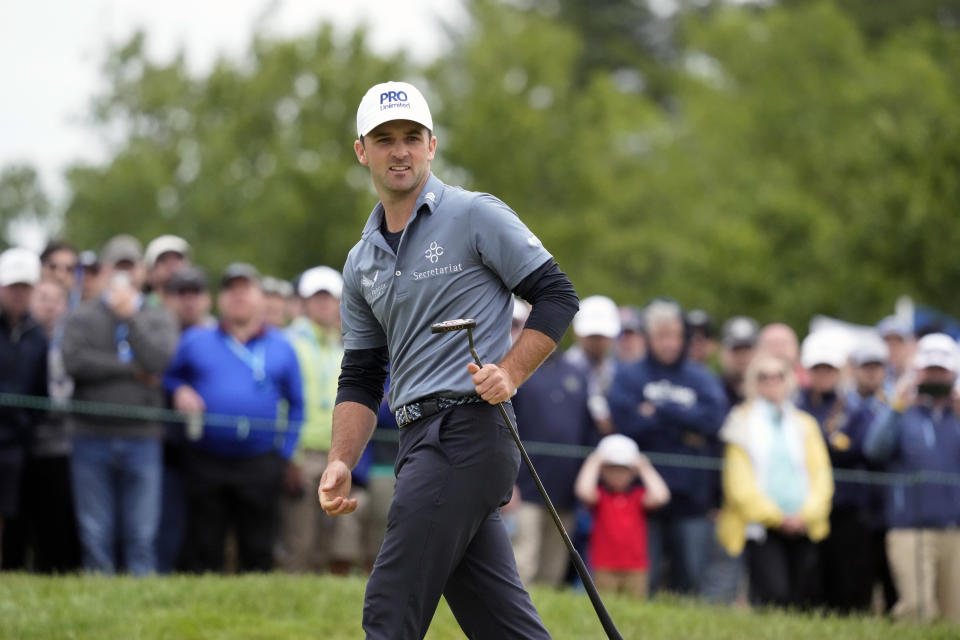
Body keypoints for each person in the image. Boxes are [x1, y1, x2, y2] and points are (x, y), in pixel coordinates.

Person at [318, 81, 579, 639]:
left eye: (412, 136)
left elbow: (556, 294)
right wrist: (342, 458)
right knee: (501, 625)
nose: (400, 150)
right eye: (384, 139)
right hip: (418, 443)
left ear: (431, 145)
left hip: (469, 433)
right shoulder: (360, 260)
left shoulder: (474, 215)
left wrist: (510, 371)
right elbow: (362, 374)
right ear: (362, 150)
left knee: (389, 608)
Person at [164, 263, 304, 573]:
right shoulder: (196, 340)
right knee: (205, 545)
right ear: (220, 300)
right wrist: (180, 389)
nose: (239, 296)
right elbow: (169, 378)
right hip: (206, 459)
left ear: (259, 298)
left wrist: (284, 453)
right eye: (231, 290)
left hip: (261, 461)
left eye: (246, 289)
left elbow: (297, 404)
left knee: (257, 547)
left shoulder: (282, 346)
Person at [61, 234, 179, 575]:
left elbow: (158, 361)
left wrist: (131, 318)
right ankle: (99, 601)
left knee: (141, 532)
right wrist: (130, 370)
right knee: (95, 530)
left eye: (131, 267)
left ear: (142, 272)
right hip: (89, 435)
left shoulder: (157, 317)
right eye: (117, 267)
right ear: (105, 271)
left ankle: (140, 602)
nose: (124, 275)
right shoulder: (81, 316)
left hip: (142, 437)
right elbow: (74, 362)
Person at [608, 299, 727, 596]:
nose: (670, 343)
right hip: (640, 495)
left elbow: (713, 421)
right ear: (649, 337)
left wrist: (659, 410)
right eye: (662, 336)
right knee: (642, 579)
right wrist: (686, 423)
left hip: (692, 497)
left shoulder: (701, 377)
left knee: (690, 578)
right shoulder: (629, 376)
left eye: (675, 336)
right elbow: (627, 424)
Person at [716, 354, 834, 609]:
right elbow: (738, 483)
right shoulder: (740, 421)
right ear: (753, 382)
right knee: (773, 594)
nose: (771, 382)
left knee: (801, 598)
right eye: (763, 377)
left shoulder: (804, 424)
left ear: (788, 380)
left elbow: (821, 475)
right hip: (761, 526)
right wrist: (777, 517)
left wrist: (806, 514)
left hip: (804, 523)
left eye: (777, 376)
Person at [864, 333, 960, 624]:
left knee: (953, 618)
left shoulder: (957, 414)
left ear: (953, 374)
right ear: (917, 372)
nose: (934, 378)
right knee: (917, 611)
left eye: (940, 372)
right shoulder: (899, 409)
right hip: (909, 528)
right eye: (929, 371)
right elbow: (874, 450)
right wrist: (897, 407)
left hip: (954, 529)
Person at [511, 299, 598, 588]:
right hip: (524, 490)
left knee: (554, 569)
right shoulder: (513, 369)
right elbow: (505, 430)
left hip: (565, 494)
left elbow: (587, 431)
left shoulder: (575, 372)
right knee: (522, 565)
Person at [9, 278, 81, 572]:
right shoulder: (19, 337)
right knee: (18, 518)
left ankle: (53, 571)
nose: (49, 305)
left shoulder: (72, 342)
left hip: (61, 446)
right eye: (42, 297)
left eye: (56, 299)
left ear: (66, 305)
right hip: (22, 443)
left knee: (55, 519)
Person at [278, 265, 346, 573]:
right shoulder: (287, 342)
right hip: (300, 453)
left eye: (330, 298)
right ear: (303, 302)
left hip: (335, 456)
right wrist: (289, 455)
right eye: (316, 298)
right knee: (298, 540)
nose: (324, 304)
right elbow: (283, 403)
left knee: (326, 541)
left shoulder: (343, 345)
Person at [818, 333, 892, 613]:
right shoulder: (841, 406)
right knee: (849, 583)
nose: (872, 373)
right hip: (847, 506)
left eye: (877, 366)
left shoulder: (894, 404)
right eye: (866, 366)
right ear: (855, 369)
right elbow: (838, 446)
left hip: (883, 507)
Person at [574, 434, 670, 599]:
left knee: (635, 608)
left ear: (633, 472)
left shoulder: (638, 497)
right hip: (603, 566)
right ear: (602, 471)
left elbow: (661, 496)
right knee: (605, 606)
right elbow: (583, 490)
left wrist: (643, 466)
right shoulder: (601, 497)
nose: (618, 475)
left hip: (636, 567)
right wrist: (594, 461)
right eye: (612, 470)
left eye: (624, 470)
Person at [0, 248, 47, 569]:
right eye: (13, 287)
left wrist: (27, 426)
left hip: (17, 442)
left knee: (14, 514)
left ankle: (12, 572)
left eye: (25, 288)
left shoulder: (37, 336)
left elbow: (40, 393)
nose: (19, 294)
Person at [565, 295, 621, 435]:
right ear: (576, 333)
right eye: (592, 336)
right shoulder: (564, 369)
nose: (597, 342)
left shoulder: (618, 369)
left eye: (601, 336)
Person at [757, 322, 808, 388]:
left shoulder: (810, 384)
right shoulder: (744, 386)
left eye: (783, 344)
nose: (778, 349)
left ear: (797, 349)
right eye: (771, 344)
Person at [143, 235, 190, 306]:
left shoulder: (200, 314)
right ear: (150, 272)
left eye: (177, 258)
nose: (172, 264)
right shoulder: (139, 309)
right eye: (163, 259)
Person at [876, 315, 915, 397]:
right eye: (887, 341)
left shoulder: (918, 375)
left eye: (898, 341)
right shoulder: (872, 376)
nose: (892, 347)